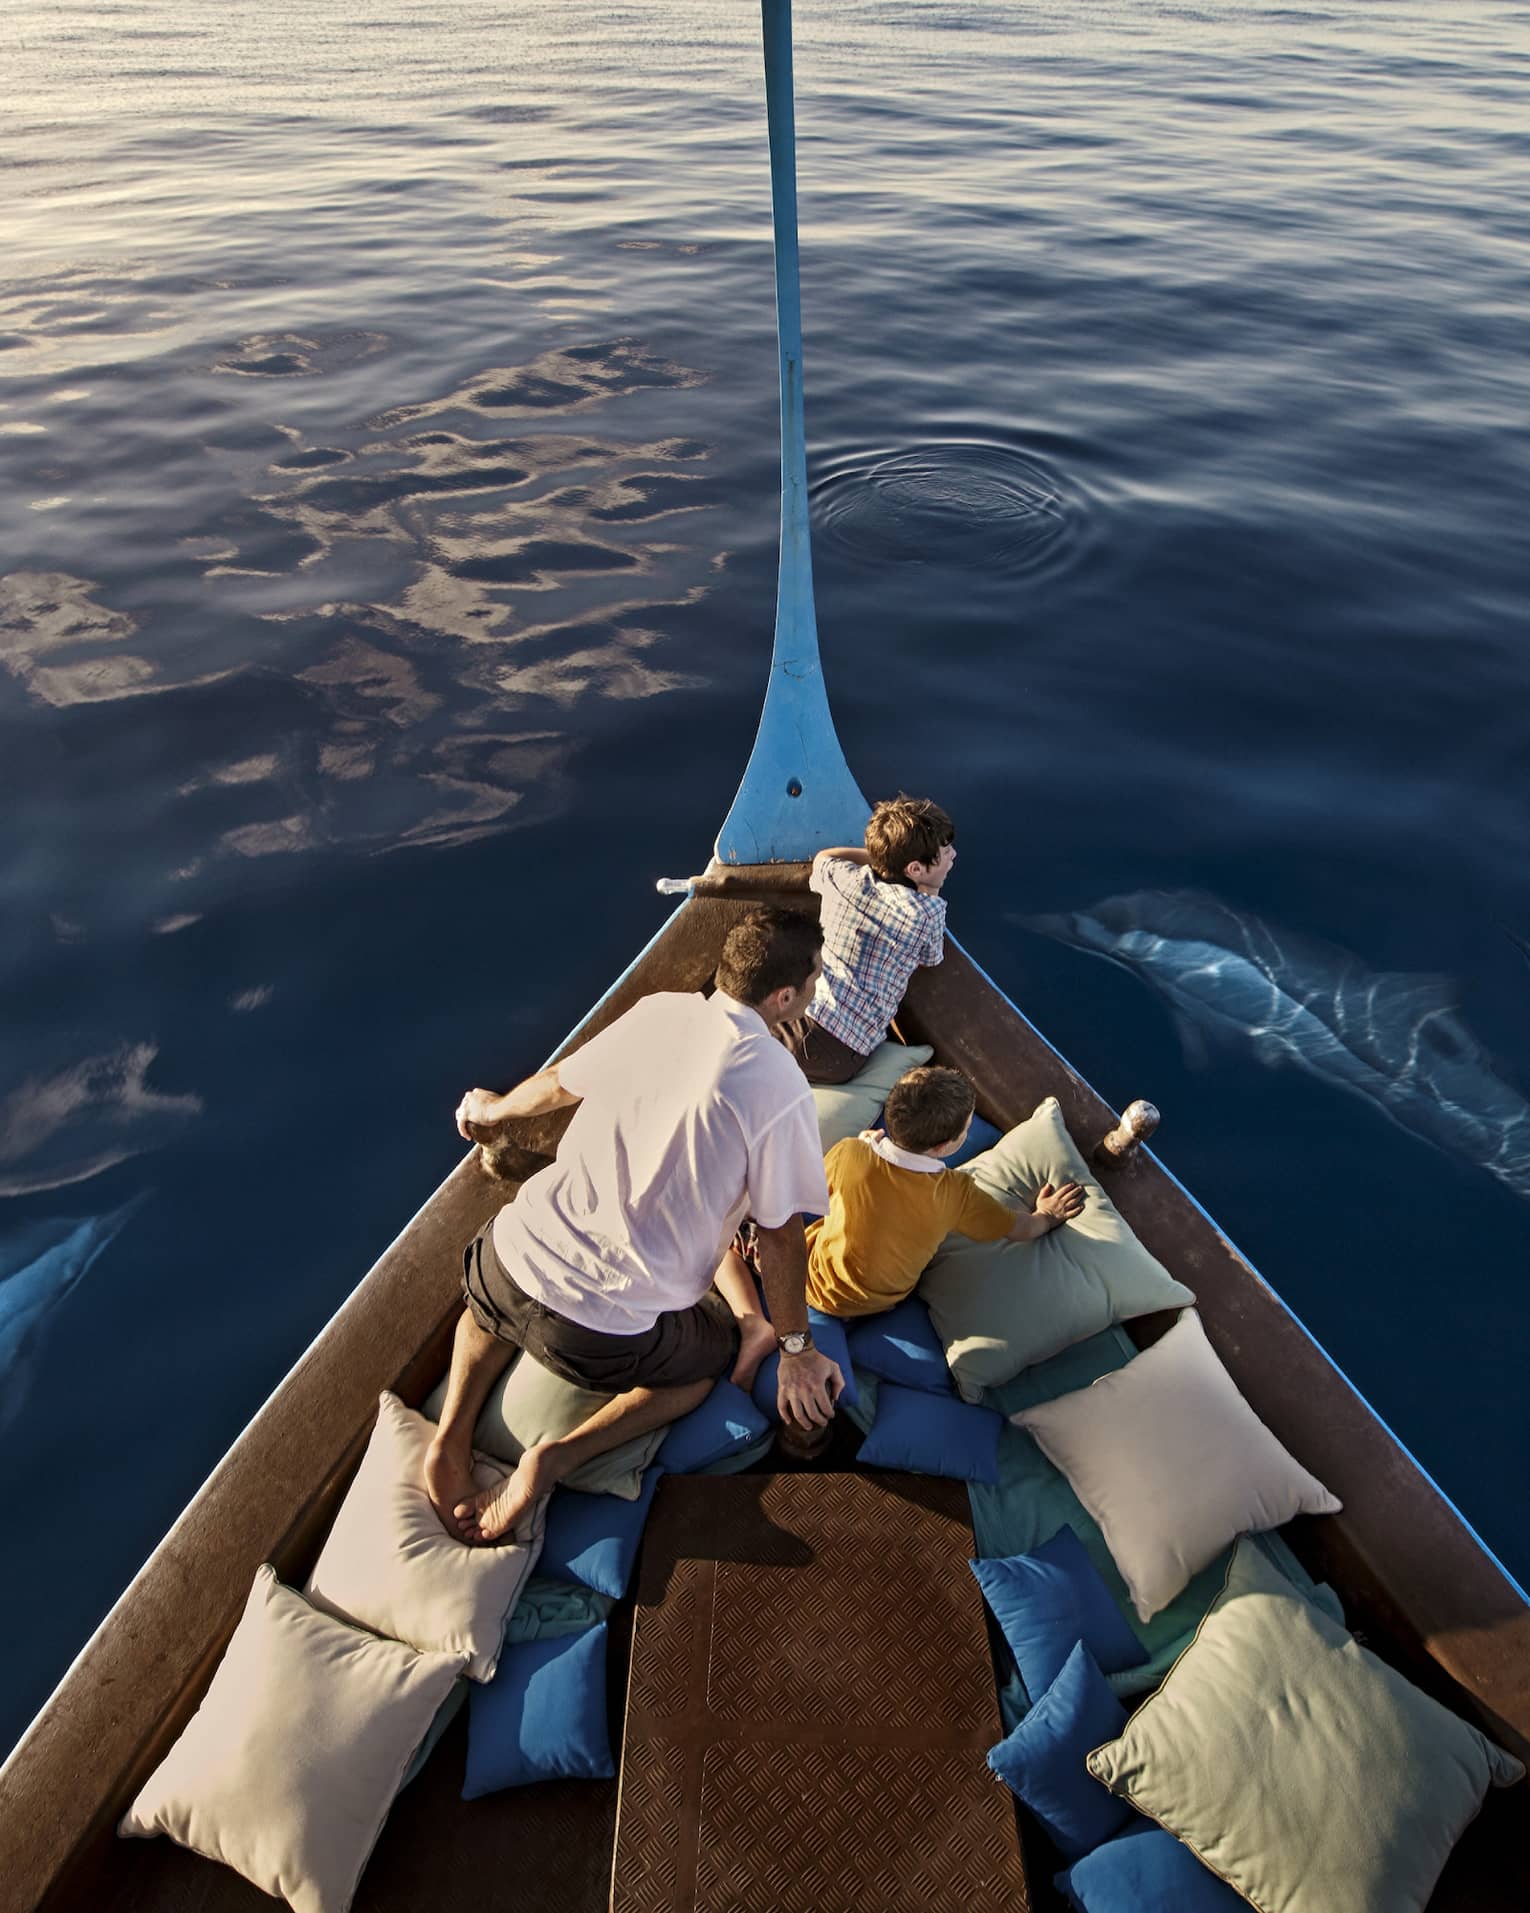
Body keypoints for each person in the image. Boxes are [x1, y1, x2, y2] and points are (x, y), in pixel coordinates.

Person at [425, 907, 844, 1545]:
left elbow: (559, 1085)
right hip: (594, 1339)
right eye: (813, 978)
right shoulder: (779, 1081)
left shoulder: (660, 1011)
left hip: (502, 1264)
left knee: (486, 1308)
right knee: (703, 1368)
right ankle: (555, 1458)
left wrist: (493, 1109)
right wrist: (796, 1351)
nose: (816, 987)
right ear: (784, 997)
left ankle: (451, 1434)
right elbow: (782, 1234)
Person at [799, 1065, 1085, 1319]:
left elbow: (816, 1187)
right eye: (965, 1130)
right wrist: (1046, 1215)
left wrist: (863, 1145)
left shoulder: (850, 1152)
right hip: (880, 1301)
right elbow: (1019, 1228)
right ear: (942, 1147)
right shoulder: (957, 1194)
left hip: (814, 1280)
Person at [779, 794, 956, 1085]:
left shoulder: (844, 878)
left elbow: (825, 857)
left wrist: (883, 858)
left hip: (795, 1017)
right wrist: (930, 890)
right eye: (945, 852)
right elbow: (931, 957)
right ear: (914, 869)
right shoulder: (927, 913)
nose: (953, 856)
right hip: (839, 1055)